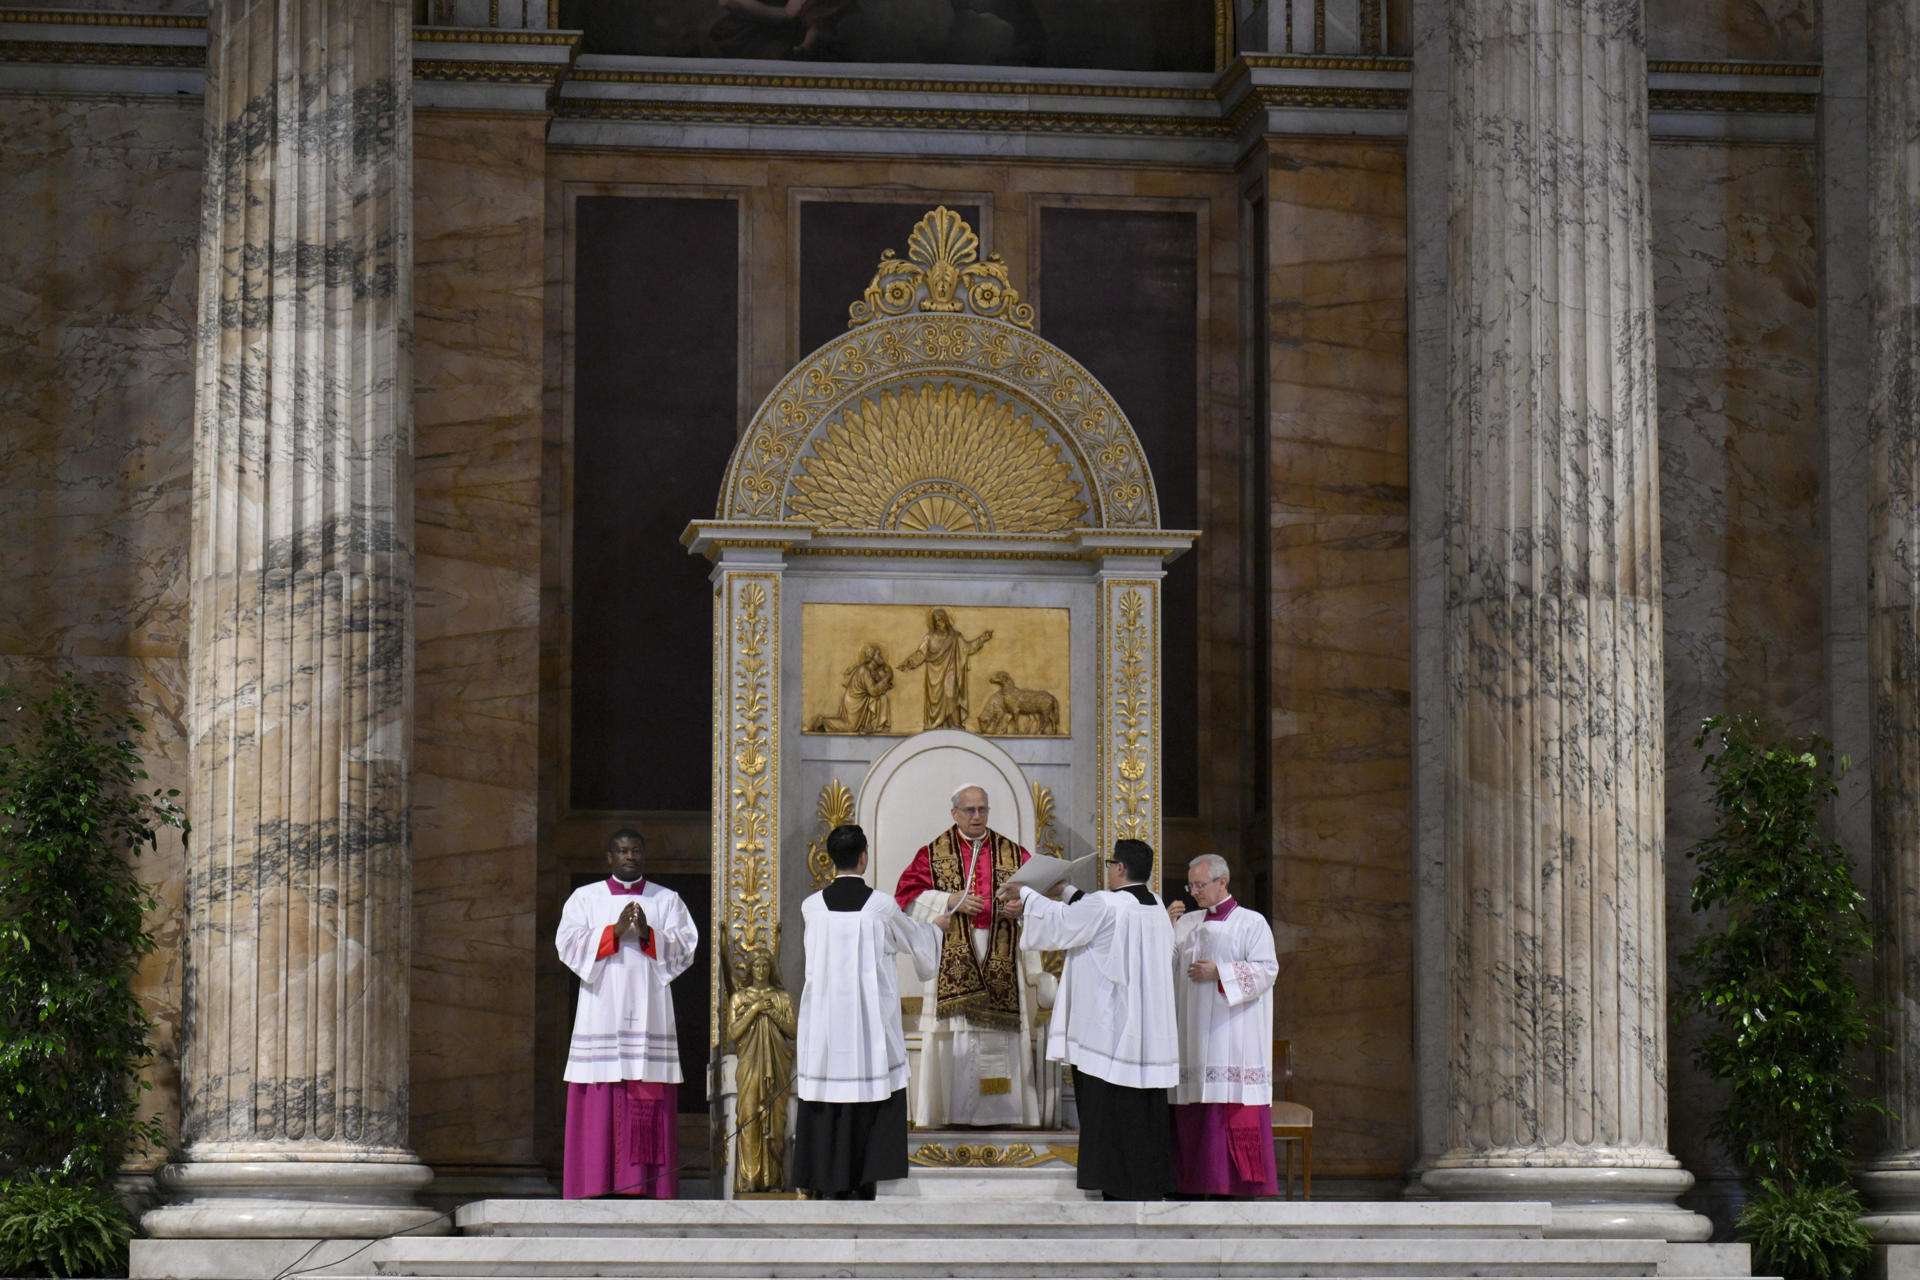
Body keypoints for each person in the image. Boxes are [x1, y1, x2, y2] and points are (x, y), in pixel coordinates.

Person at [1002, 838, 1177, 1200]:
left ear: (1119, 869)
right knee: (1144, 1112)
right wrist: (1064, 889)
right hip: (1146, 1031)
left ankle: (1115, 1183)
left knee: (1107, 1109)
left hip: (1108, 1031)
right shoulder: (1156, 906)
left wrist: (1029, 895)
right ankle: (1147, 1182)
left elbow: (1064, 925)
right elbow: (1089, 910)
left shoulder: (1107, 905)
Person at [794, 824, 946, 1198]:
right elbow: (914, 941)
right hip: (868, 1029)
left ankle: (828, 1184)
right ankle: (865, 1184)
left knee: (830, 1103)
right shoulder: (880, 905)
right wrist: (936, 929)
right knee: (870, 1099)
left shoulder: (811, 906)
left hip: (827, 1031)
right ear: (864, 857)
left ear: (831, 859)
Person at [555, 829, 700, 1199]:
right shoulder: (585, 899)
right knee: (600, 1088)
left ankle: (647, 1185)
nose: (629, 856)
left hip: (648, 1010)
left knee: (644, 1082)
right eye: (621, 850)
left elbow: (686, 948)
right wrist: (614, 933)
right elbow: (566, 945)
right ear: (609, 857)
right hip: (601, 1010)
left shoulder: (666, 900)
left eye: (635, 849)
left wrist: (650, 935)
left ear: (644, 853)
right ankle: (595, 1182)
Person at [892, 784, 1040, 1127]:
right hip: (955, 953)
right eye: (970, 810)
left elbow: (1041, 893)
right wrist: (948, 900)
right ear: (954, 813)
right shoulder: (932, 853)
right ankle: (953, 1112)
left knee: (997, 1035)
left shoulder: (1012, 852)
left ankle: (1003, 1113)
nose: (977, 817)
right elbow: (904, 897)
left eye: (983, 810)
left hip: (1000, 950)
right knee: (956, 1036)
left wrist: (1023, 905)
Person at [1168, 853, 1279, 1198]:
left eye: (1200, 885)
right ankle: (1189, 1184)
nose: (1194, 892)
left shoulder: (1251, 923)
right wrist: (1163, 927)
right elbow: (1164, 966)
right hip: (1192, 1033)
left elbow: (1267, 970)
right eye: (1191, 885)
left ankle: (1230, 1185)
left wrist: (1220, 972)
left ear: (1223, 882)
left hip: (1232, 1035)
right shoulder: (1186, 923)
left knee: (1226, 1105)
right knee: (1192, 1106)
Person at [724, 941, 795, 1194]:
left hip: (776, 1065)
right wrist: (754, 1009)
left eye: (766, 965)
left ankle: (774, 1179)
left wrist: (773, 1013)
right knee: (749, 1116)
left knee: (775, 1122)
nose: (761, 970)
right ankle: (750, 1178)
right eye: (756, 965)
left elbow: (792, 1031)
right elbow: (732, 1032)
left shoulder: (781, 998)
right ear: (750, 969)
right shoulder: (739, 998)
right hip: (751, 1065)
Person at [897, 608, 992, 730]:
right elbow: (920, 653)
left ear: (946, 620)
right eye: (936, 621)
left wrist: (982, 639)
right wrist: (908, 663)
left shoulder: (955, 637)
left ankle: (953, 724)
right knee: (935, 701)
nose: (939, 623)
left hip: (950, 675)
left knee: (951, 696)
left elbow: (968, 648)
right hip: (934, 679)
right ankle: (936, 725)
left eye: (941, 620)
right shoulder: (929, 638)